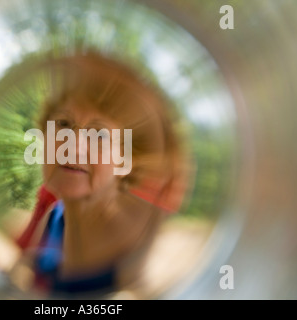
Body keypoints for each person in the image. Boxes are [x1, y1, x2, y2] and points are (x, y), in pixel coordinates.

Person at [13, 51, 187, 297]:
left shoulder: (146, 235)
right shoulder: (54, 217)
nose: (73, 147)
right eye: (63, 124)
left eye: (99, 135)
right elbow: (27, 276)